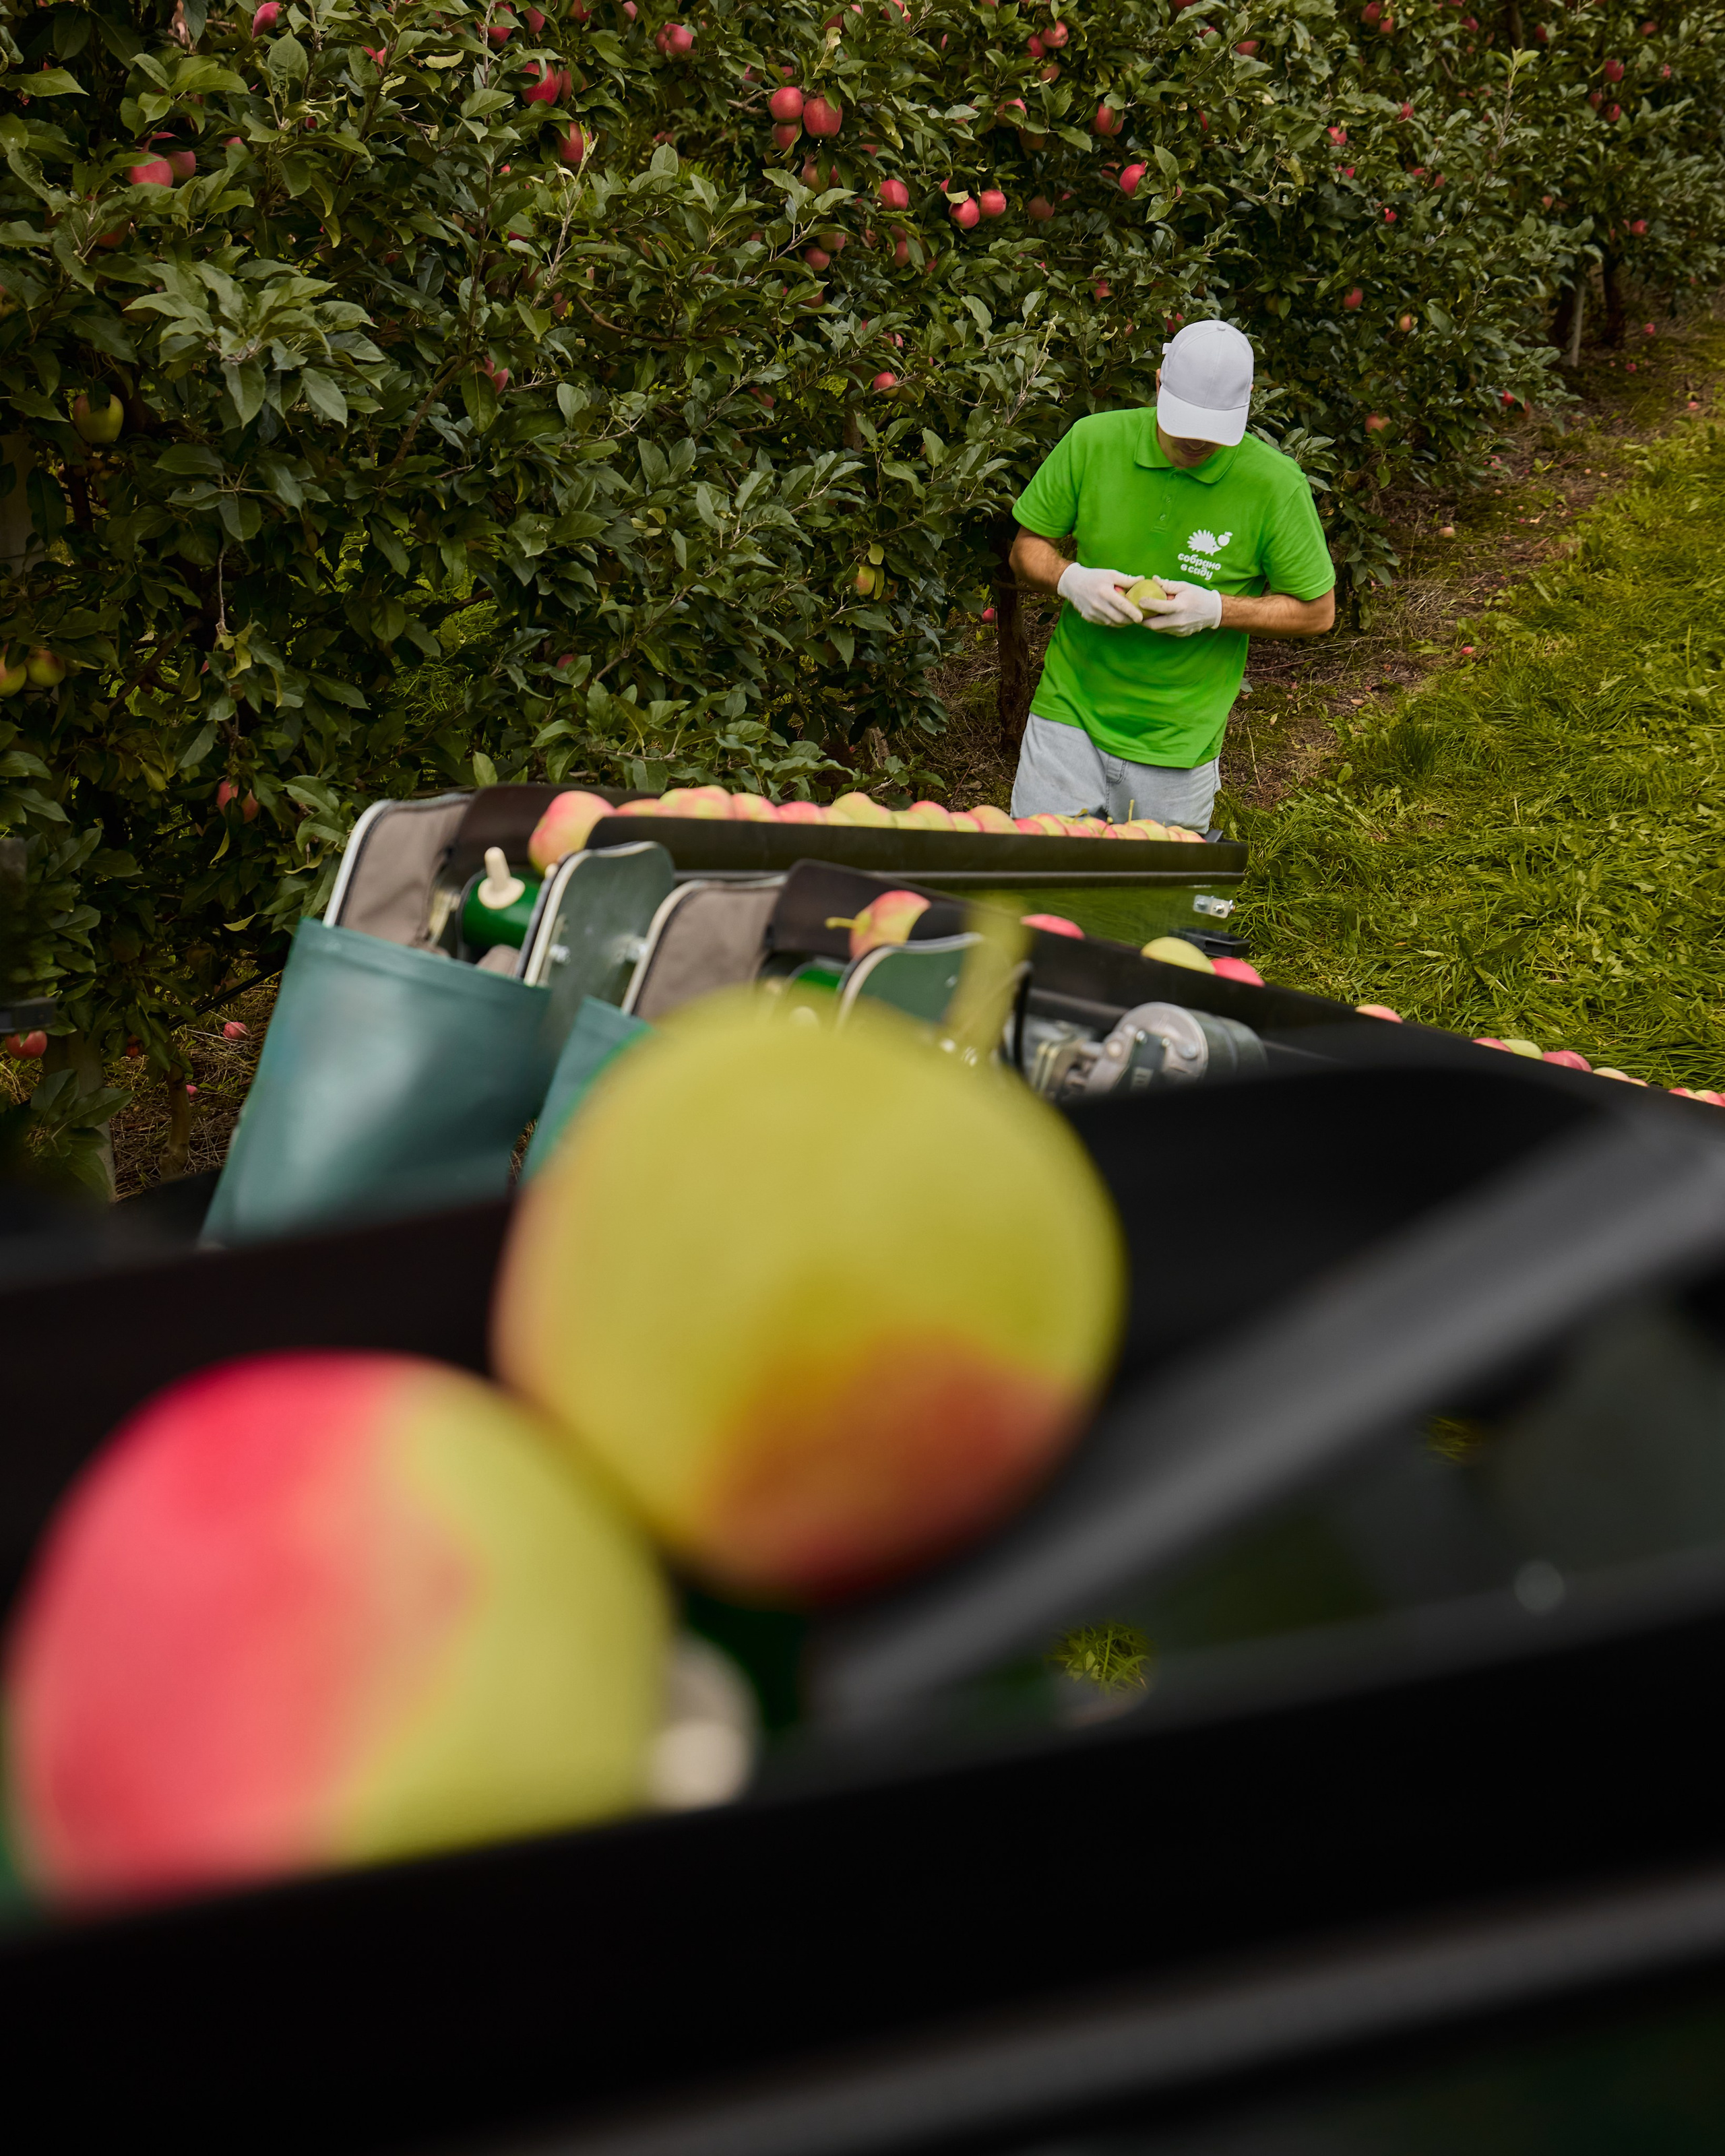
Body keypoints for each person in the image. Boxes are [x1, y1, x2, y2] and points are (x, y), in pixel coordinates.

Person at [1007, 320, 1336, 833]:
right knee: (1035, 883)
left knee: (1150, 904)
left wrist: (1218, 610)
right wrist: (1072, 580)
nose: (1197, 442)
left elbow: (1318, 612)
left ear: (1249, 400)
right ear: (1158, 384)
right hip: (1069, 708)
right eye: (1185, 422)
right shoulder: (1094, 442)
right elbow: (1027, 549)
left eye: (1212, 428)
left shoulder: (1274, 486)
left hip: (1178, 734)